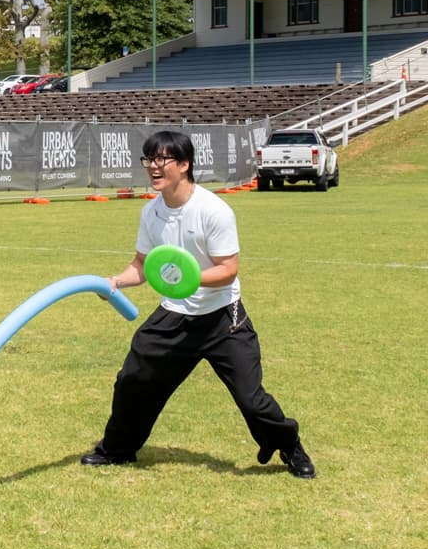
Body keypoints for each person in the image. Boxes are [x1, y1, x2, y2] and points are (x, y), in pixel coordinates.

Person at [81, 130, 315, 478]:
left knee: (252, 400)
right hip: (174, 316)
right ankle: (117, 449)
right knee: (133, 381)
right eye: (149, 159)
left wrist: (190, 280)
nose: (153, 167)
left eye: (162, 159)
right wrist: (115, 282)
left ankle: (289, 446)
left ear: (185, 164)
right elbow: (143, 265)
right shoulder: (151, 212)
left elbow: (228, 269)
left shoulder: (213, 210)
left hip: (222, 318)